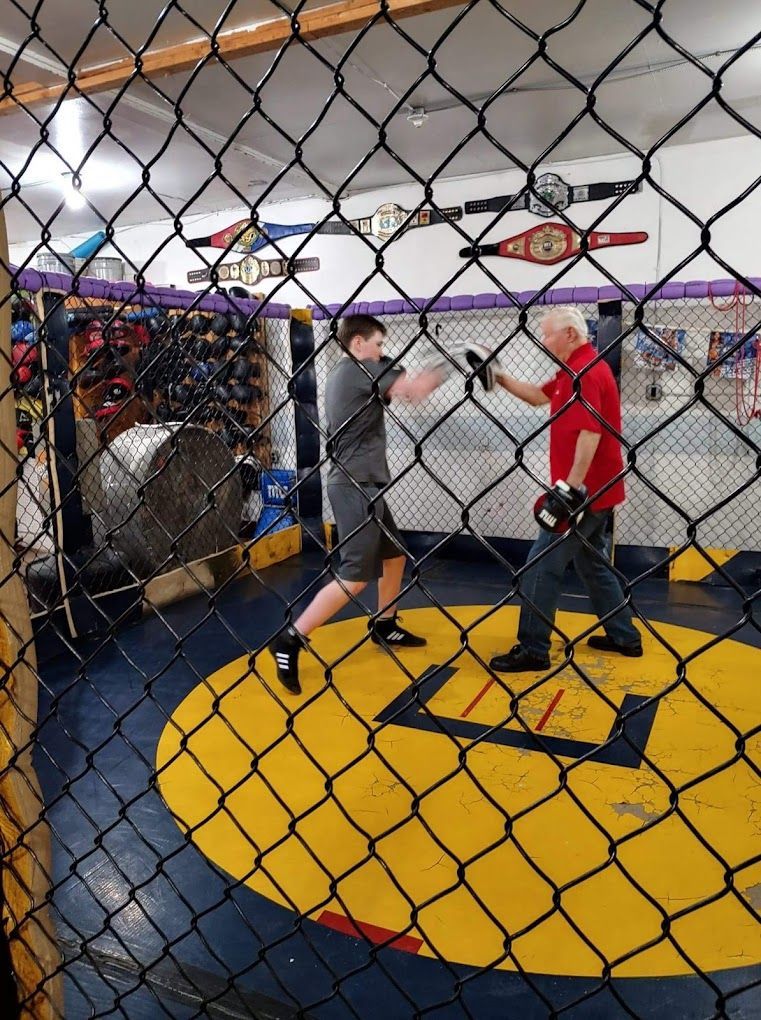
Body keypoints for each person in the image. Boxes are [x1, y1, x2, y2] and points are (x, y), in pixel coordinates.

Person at [268, 314, 452, 694]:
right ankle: (289, 640)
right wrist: (456, 361)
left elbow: (401, 389)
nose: (382, 351)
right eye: (378, 344)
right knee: (355, 575)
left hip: (364, 482)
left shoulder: (349, 373)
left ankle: (384, 624)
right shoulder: (357, 370)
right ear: (358, 344)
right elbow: (414, 391)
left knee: (395, 555)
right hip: (355, 486)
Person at [488, 306, 642, 672]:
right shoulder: (573, 370)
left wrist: (569, 493)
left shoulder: (586, 373)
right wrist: (498, 376)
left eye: (547, 334)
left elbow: (591, 432)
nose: (543, 340)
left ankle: (533, 649)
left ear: (570, 335)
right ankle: (625, 637)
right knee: (593, 565)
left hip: (584, 495)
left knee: (540, 564)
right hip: (598, 491)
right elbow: (537, 396)